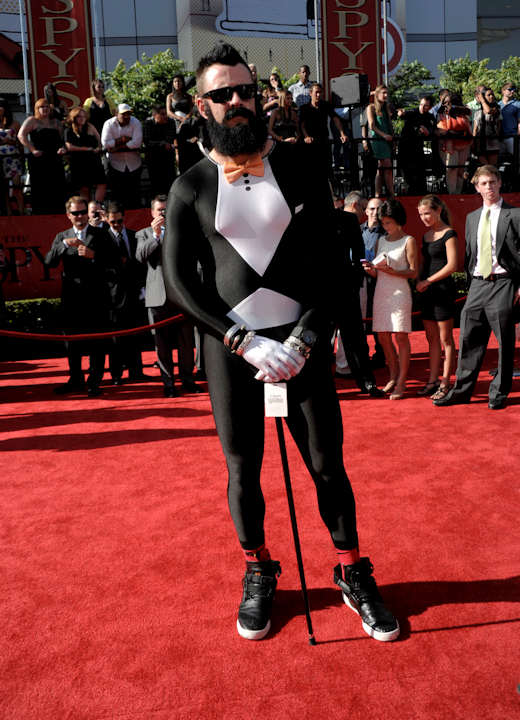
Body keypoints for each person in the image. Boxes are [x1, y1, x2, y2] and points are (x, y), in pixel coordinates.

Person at [162, 42, 399, 642]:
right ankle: (258, 568)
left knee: (327, 465)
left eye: (244, 90)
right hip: (232, 352)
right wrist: (241, 341)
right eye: (222, 94)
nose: (237, 101)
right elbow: (178, 283)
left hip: (302, 347)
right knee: (243, 469)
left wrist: (303, 338)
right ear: (203, 105)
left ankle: (351, 570)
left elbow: (333, 266)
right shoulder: (189, 185)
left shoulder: (301, 166)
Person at [433, 165, 520, 410]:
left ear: (499, 183)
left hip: (504, 282)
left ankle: (499, 392)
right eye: (484, 183)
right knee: (468, 337)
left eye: (492, 181)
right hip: (478, 284)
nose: (489, 187)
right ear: (477, 187)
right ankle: (462, 391)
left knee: (504, 341)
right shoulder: (472, 218)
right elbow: (471, 254)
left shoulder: (515, 215)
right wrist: (471, 285)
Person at [44, 196, 114, 396]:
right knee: (72, 341)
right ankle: (75, 379)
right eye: (75, 213)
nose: (80, 216)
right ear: (68, 215)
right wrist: (64, 245)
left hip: (96, 298)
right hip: (72, 299)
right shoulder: (62, 236)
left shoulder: (101, 234)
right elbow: (49, 262)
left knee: (96, 341)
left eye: (83, 212)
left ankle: (94, 381)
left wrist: (94, 256)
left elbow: (114, 261)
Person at [135, 195, 200, 397]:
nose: (163, 213)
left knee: (186, 342)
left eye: (166, 209)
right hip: (157, 297)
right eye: (159, 210)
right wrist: (156, 236)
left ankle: (188, 380)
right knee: (161, 344)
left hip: (182, 296)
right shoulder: (143, 234)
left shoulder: (182, 230)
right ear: (152, 213)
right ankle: (168, 383)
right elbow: (140, 256)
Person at [363, 199, 418, 399]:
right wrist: (371, 269)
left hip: (400, 293)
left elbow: (413, 272)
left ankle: (402, 381)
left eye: (388, 222)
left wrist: (391, 270)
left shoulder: (409, 240)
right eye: (383, 222)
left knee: (400, 337)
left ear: (398, 220)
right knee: (383, 337)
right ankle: (393, 376)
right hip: (381, 291)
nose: (385, 226)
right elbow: (379, 272)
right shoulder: (381, 241)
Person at [334, 192, 385, 398]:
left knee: (356, 338)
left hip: (347, 287)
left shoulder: (348, 220)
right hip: (318, 290)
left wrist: (355, 281)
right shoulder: (304, 219)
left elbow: (359, 252)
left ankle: (367, 383)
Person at [416, 195, 458, 400]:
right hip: (427, 293)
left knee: (445, 339)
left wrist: (428, 281)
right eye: (421, 214)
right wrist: (418, 281)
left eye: (427, 213)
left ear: (438, 210)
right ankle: (432, 381)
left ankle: (445, 382)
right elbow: (424, 264)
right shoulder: (425, 236)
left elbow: (452, 265)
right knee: (431, 338)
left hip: (442, 291)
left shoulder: (449, 234)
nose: (424, 217)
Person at [105, 201, 147, 384]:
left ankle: (136, 372)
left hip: (134, 294)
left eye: (119, 221)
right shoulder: (102, 238)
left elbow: (140, 264)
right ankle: (116, 374)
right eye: (113, 222)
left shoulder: (134, 235)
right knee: (116, 337)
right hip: (112, 296)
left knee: (136, 334)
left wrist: (142, 287)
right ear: (107, 220)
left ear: (124, 218)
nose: (116, 225)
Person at [18, 97, 67, 215]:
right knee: (40, 188)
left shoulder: (56, 122)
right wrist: (32, 149)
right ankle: (40, 213)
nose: (44, 109)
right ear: (37, 108)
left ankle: (58, 212)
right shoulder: (32, 120)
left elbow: (62, 140)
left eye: (46, 107)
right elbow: (21, 135)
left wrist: (63, 148)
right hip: (39, 159)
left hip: (54, 159)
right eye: (41, 107)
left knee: (57, 187)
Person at [299, 83, 347, 178]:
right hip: (310, 142)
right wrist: (306, 136)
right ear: (310, 93)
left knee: (327, 168)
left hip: (324, 140)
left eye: (320, 92)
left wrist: (342, 133)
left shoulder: (325, 105)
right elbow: (302, 125)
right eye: (316, 92)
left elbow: (335, 119)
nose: (318, 95)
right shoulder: (304, 108)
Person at [101, 103, 143, 209]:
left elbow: (137, 143)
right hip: (115, 164)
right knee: (117, 195)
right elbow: (105, 143)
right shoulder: (108, 124)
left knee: (134, 195)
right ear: (116, 114)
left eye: (128, 114)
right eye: (123, 114)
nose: (127, 116)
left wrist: (116, 147)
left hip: (134, 163)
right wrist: (123, 139)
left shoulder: (135, 122)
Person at [360, 197, 386, 367]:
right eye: (372, 209)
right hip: (359, 280)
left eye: (379, 209)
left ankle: (380, 355)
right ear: (366, 211)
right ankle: (361, 354)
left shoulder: (387, 233)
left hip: (379, 280)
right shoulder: (356, 230)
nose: (375, 212)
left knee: (379, 318)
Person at [64, 106, 106, 202]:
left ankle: (97, 205)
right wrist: (86, 149)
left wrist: (99, 148)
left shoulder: (90, 126)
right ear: (74, 117)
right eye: (79, 116)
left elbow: (100, 140)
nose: (82, 118)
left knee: (101, 183)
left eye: (84, 116)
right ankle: (87, 208)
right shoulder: (69, 130)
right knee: (84, 187)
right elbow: (69, 146)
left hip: (94, 160)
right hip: (79, 162)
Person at [397, 96, 436, 196]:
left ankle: (421, 194)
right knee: (408, 175)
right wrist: (401, 113)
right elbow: (402, 114)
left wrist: (427, 132)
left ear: (430, 107)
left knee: (420, 174)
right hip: (405, 147)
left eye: (426, 105)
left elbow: (432, 130)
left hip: (418, 148)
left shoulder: (430, 117)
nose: (422, 107)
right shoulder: (413, 112)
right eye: (421, 104)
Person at [436, 92, 472, 195]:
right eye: (445, 102)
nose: (447, 105)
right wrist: (454, 132)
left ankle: (458, 193)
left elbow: (468, 124)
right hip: (449, 145)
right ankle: (452, 193)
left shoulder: (464, 111)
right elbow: (442, 130)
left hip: (464, 143)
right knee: (452, 169)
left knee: (460, 170)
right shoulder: (441, 113)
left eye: (450, 102)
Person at [143, 104, 177, 196]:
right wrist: (162, 144)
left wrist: (162, 144)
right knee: (156, 187)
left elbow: (171, 138)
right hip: (153, 159)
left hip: (167, 159)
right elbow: (147, 141)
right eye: (162, 114)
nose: (165, 116)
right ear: (154, 115)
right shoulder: (148, 123)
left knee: (170, 185)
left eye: (166, 114)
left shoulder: (171, 122)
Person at [366, 85, 394, 198]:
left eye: (387, 93)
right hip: (378, 140)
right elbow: (371, 126)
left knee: (382, 168)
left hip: (387, 139)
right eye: (383, 93)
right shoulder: (371, 107)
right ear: (377, 94)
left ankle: (378, 193)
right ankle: (391, 193)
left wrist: (392, 137)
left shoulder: (386, 108)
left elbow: (389, 124)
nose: (386, 95)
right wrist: (384, 135)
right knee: (387, 165)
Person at [0, 98, 23, 214]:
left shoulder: (15, 123)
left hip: (13, 158)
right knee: (3, 188)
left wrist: (21, 156)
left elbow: (20, 141)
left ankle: (21, 211)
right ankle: (8, 212)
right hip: (1, 159)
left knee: (17, 186)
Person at [473, 87, 501, 168]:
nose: (491, 96)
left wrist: (482, 101)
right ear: (483, 97)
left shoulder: (496, 109)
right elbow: (475, 129)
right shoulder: (478, 112)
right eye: (489, 95)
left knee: (492, 167)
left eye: (492, 94)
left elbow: (488, 111)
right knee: (485, 167)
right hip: (480, 143)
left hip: (492, 142)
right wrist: (473, 144)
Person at [499, 83, 520, 157]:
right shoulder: (497, 105)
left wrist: (518, 137)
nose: (512, 91)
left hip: (512, 137)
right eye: (510, 89)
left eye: (514, 90)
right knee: (499, 161)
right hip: (499, 138)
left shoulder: (518, 104)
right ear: (503, 91)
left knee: (517, 159)